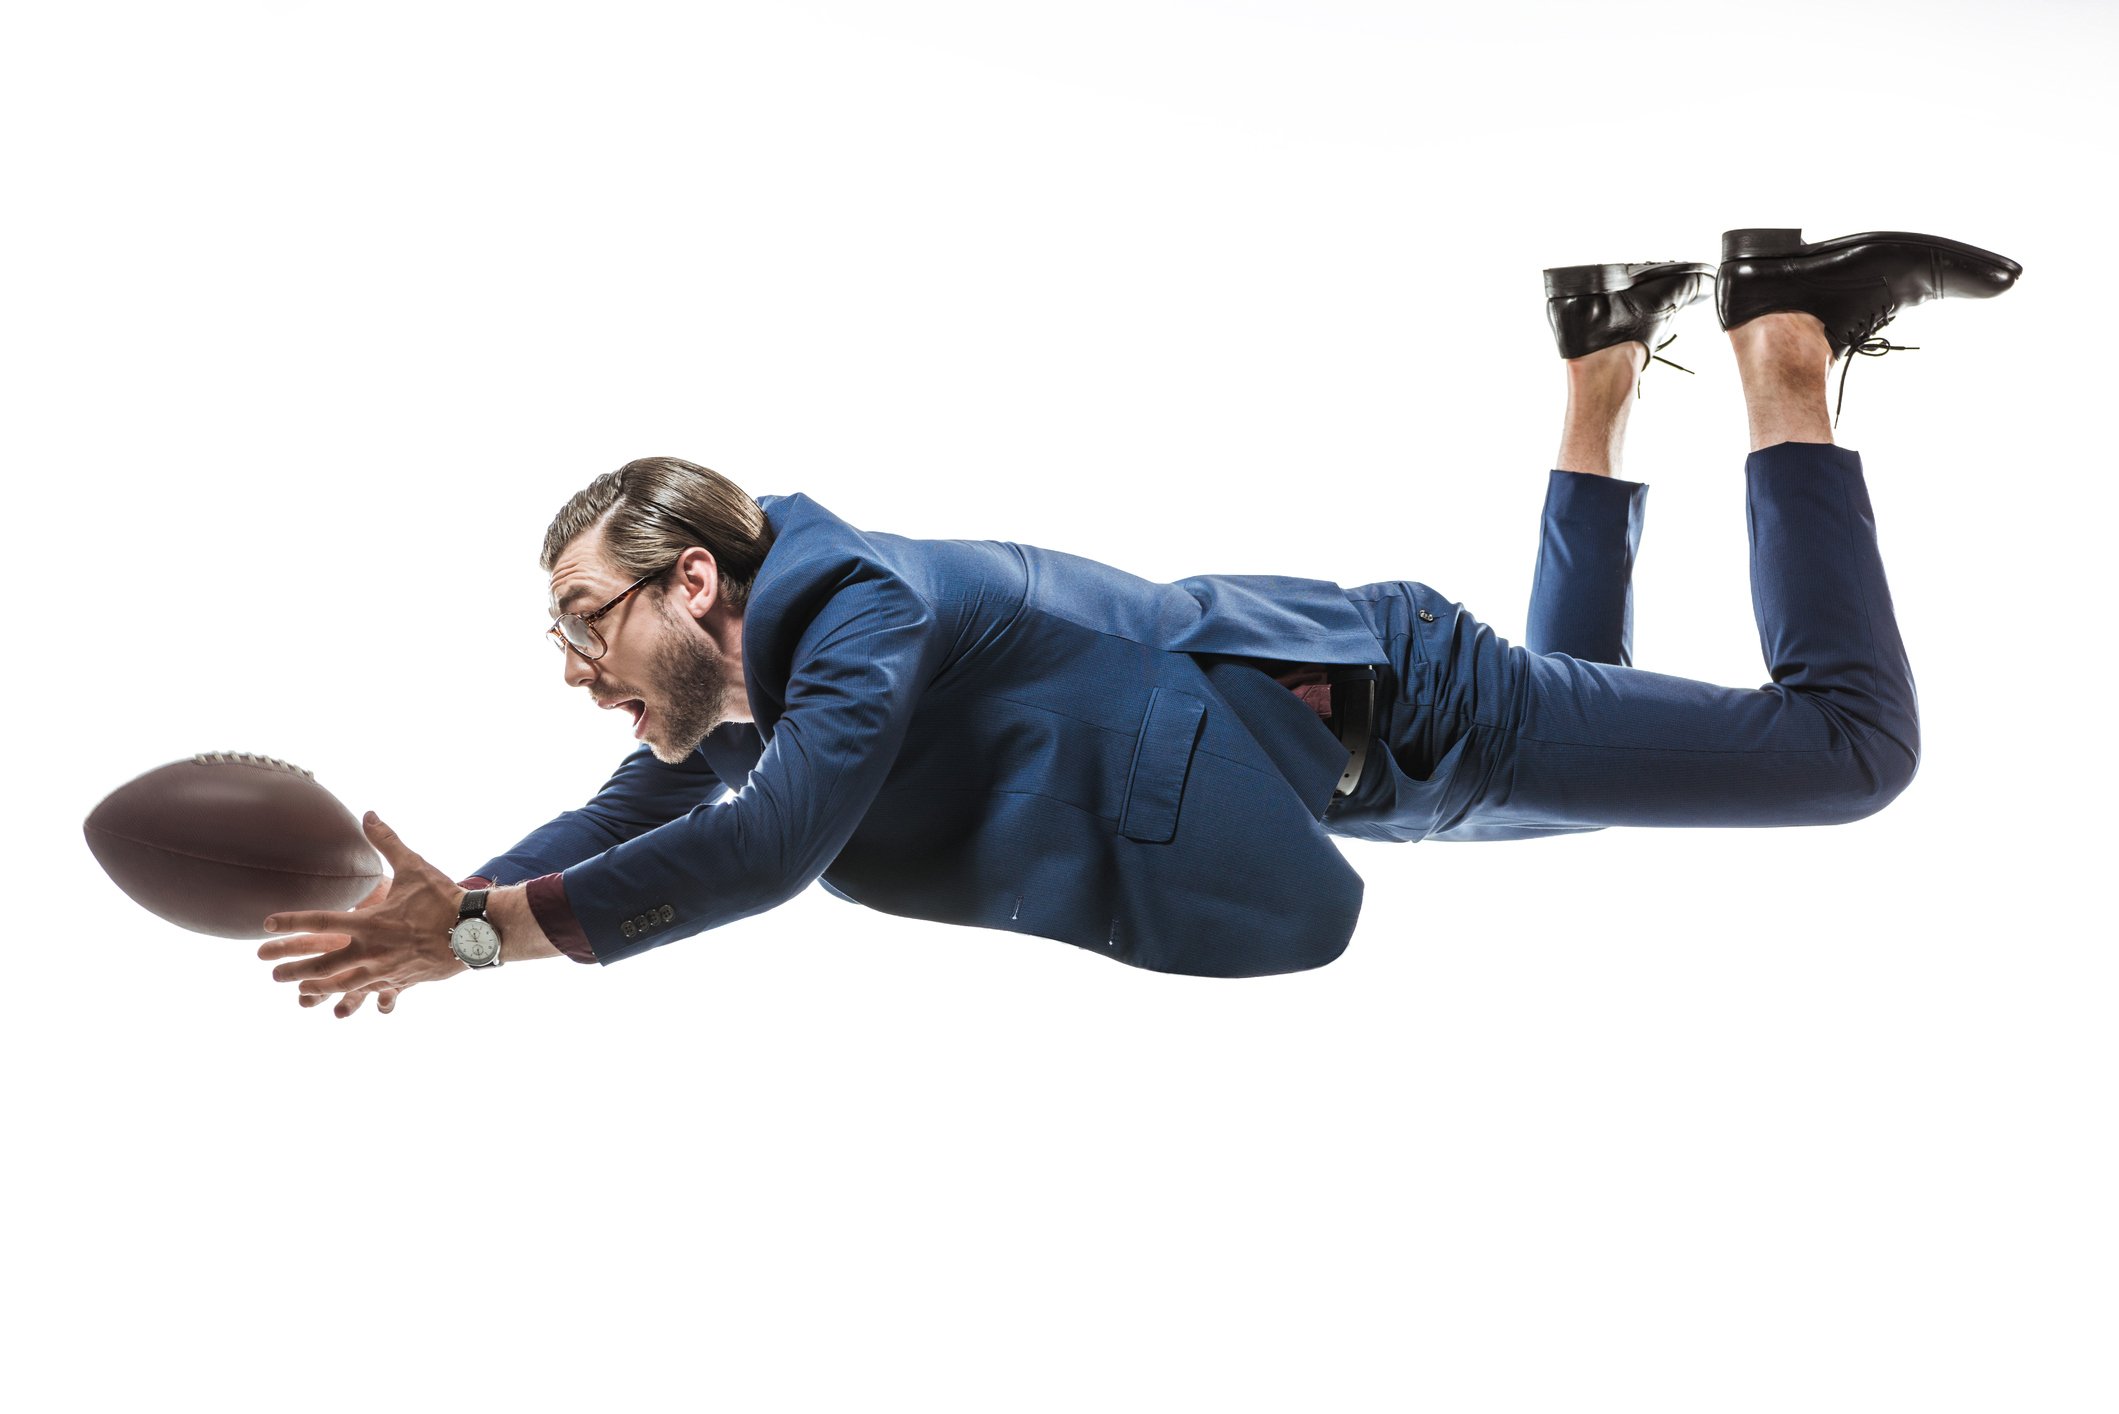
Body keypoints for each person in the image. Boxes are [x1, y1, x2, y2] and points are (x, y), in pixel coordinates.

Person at [260, 226, 2022, 1016]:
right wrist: (465, 900)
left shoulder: (852, 617)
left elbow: (773, 848)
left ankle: (1787, 341)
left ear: (692, 582)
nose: (571, 666)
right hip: (1356, 736)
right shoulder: (766, 665)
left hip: (1394, 707)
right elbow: (639, 816)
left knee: (1845, 751)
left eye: (583, 619)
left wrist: (485, 943)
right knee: (1615, 743)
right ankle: (1605, 347)